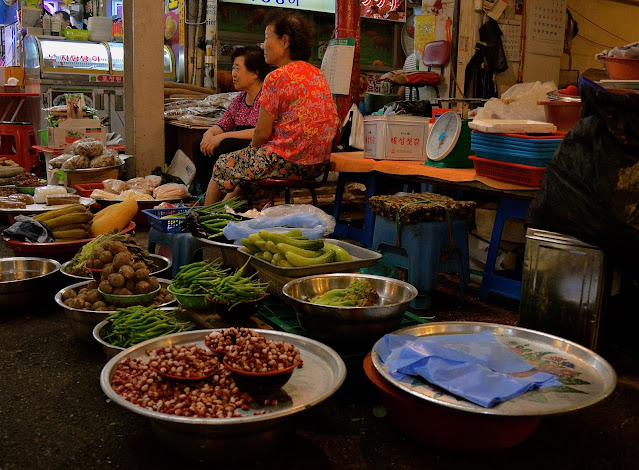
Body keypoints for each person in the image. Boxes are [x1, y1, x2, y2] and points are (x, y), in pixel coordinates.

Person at [204, 11, 339, 205]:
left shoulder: (276, 77)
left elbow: (261, 134)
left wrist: (251, 154)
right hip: (318, 165)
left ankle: (200, 220)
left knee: (225, 164)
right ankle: (236, 212)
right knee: (247, 173)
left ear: (285, 41)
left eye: (267, 38)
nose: (263, 45)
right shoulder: (318, 75)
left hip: (289, 162)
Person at [191, 46, 269, 193]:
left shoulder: (267, 97)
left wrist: (222, 137)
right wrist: (209, 135)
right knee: (198, 144)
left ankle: (227, 194)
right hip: (234, 140)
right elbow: (223, 123)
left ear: (255, 73)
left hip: (258, 149)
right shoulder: (240, 98)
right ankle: (207, 194)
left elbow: (260, 132)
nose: (233, 74)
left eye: (238, 69)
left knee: (227, 144)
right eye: (233, 68)